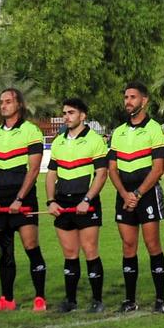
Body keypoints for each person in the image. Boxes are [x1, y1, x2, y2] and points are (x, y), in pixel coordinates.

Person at [0, 87, 48, 311]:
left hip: (24, 197)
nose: (3, 106)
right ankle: (6, 300)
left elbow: (34, 169)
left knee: (31, 246)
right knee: (5, 252)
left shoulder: (31, 131)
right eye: (1, 102)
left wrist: (20, 199)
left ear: (19, 104)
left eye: (8, 102)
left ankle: (40, 298)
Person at [109, 82, 164, 314]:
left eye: (133, 97)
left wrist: (136, 194)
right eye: (126, 97)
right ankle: (130, 299)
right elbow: (112, 168)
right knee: (128, 246)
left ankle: (160, 299)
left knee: (152, 244)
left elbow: (158, 168)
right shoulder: (118, 131)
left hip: (146, 195)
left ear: (144, 101)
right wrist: (125, 194)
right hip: (124, 196)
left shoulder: (154, 129)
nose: (128, 101)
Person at [44, 98, 111, 313]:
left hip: (86, 202)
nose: (66, 116)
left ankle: (97, 300)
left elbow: (102, 175)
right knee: (70, 253)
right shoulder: (58, 141)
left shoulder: (95, 140)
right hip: (62, 202)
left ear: (82, 116)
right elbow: (51, 174)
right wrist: (51, 201)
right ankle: (70, 300)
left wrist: (87, 200)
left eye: (71, 112)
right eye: (64, 112)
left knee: (90, 250)